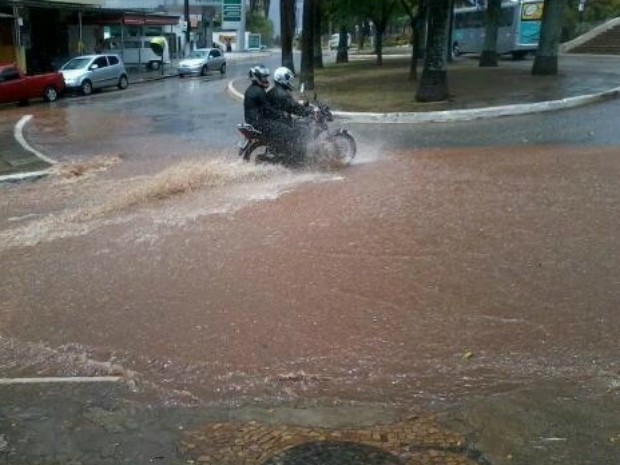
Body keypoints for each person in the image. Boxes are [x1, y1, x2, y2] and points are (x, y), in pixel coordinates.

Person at [243, 65, 291, 162]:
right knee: (287, 130)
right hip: (259, 122)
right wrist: (282, 116)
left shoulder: (253, 89)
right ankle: (282, 155)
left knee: (280, 126)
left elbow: (265, 108)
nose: (266, 79)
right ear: (257, 77)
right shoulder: (258, 91)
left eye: (266, 77)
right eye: (264, 77)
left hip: (255, 120)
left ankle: (277, 151)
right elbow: (268, 109)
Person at [267, 66, 313, 164]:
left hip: (276, 118)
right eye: (288, 78)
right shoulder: (282, 94)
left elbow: (291, 105)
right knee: (299, 132)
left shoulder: (276, 90)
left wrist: (302, 106)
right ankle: (294, 160)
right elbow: (293, 108)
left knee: (298, 125)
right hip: (279, 121)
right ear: (281, 79)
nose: (290, 81)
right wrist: (308, 111)